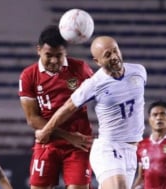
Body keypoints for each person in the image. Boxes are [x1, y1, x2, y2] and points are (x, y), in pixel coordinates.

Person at [36, 36, 147, 189]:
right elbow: (68, 107)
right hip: (109, 147)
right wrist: (46, 131)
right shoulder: (95, 83)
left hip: (131, 151)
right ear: (97, 62)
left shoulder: (139, 72)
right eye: (107, 55)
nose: (114, 57)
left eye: (115, 51)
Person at [18, 25, 94, 189]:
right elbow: (32, 119)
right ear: (38, 50)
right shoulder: (28, 76)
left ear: (65, 52)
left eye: (58, 55)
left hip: (78, 144)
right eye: (48, 55)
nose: (53, 61)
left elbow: (101, 96)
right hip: (48, 142)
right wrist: (67, 136)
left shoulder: (81, 69)